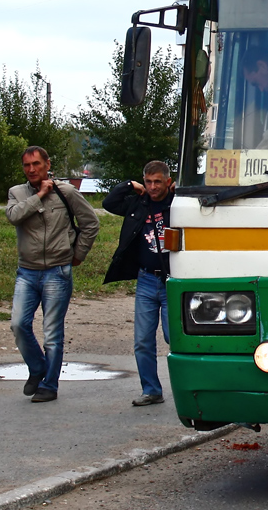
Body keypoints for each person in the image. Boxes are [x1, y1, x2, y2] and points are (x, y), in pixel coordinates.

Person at [6, 146, 99, 403]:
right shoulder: (17, 193)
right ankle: (37, 369)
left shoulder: (67, 192)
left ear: (48, 164)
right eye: (27, 165)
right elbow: (13, 216)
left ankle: (49, 385)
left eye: (36, 164)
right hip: (27, 270)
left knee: (52, 333)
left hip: (57, 271)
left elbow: (91, 223)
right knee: (18, 324)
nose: (32, 169)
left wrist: (78, 254)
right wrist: (40, 196)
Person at [102, 161, 175, 406]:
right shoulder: (138, 203)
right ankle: (151, 390)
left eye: (157, 182)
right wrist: (128, 185)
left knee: (172, 336)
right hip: (146, 279)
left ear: (167, 181)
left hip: (171, 280)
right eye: (148, 181)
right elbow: (109, 204)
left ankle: (189, 386)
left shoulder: (176, 205)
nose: (153, 187)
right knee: (142, 340)